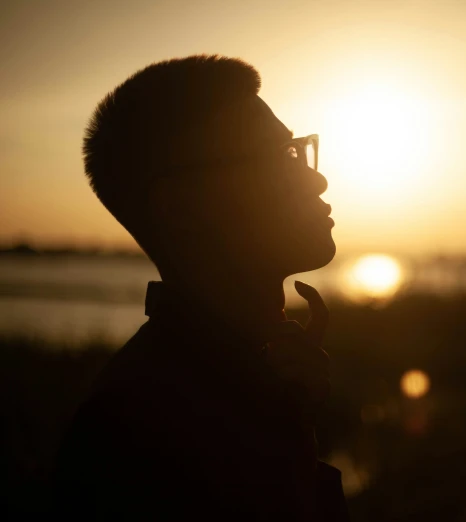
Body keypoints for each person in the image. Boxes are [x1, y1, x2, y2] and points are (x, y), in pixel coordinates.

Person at [52, 55, 348, 521]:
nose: (316, 177)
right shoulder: (132, 432)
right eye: (276, 159)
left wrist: (293, 416)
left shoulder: (259, 373)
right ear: (181, 209)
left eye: (297, 150)